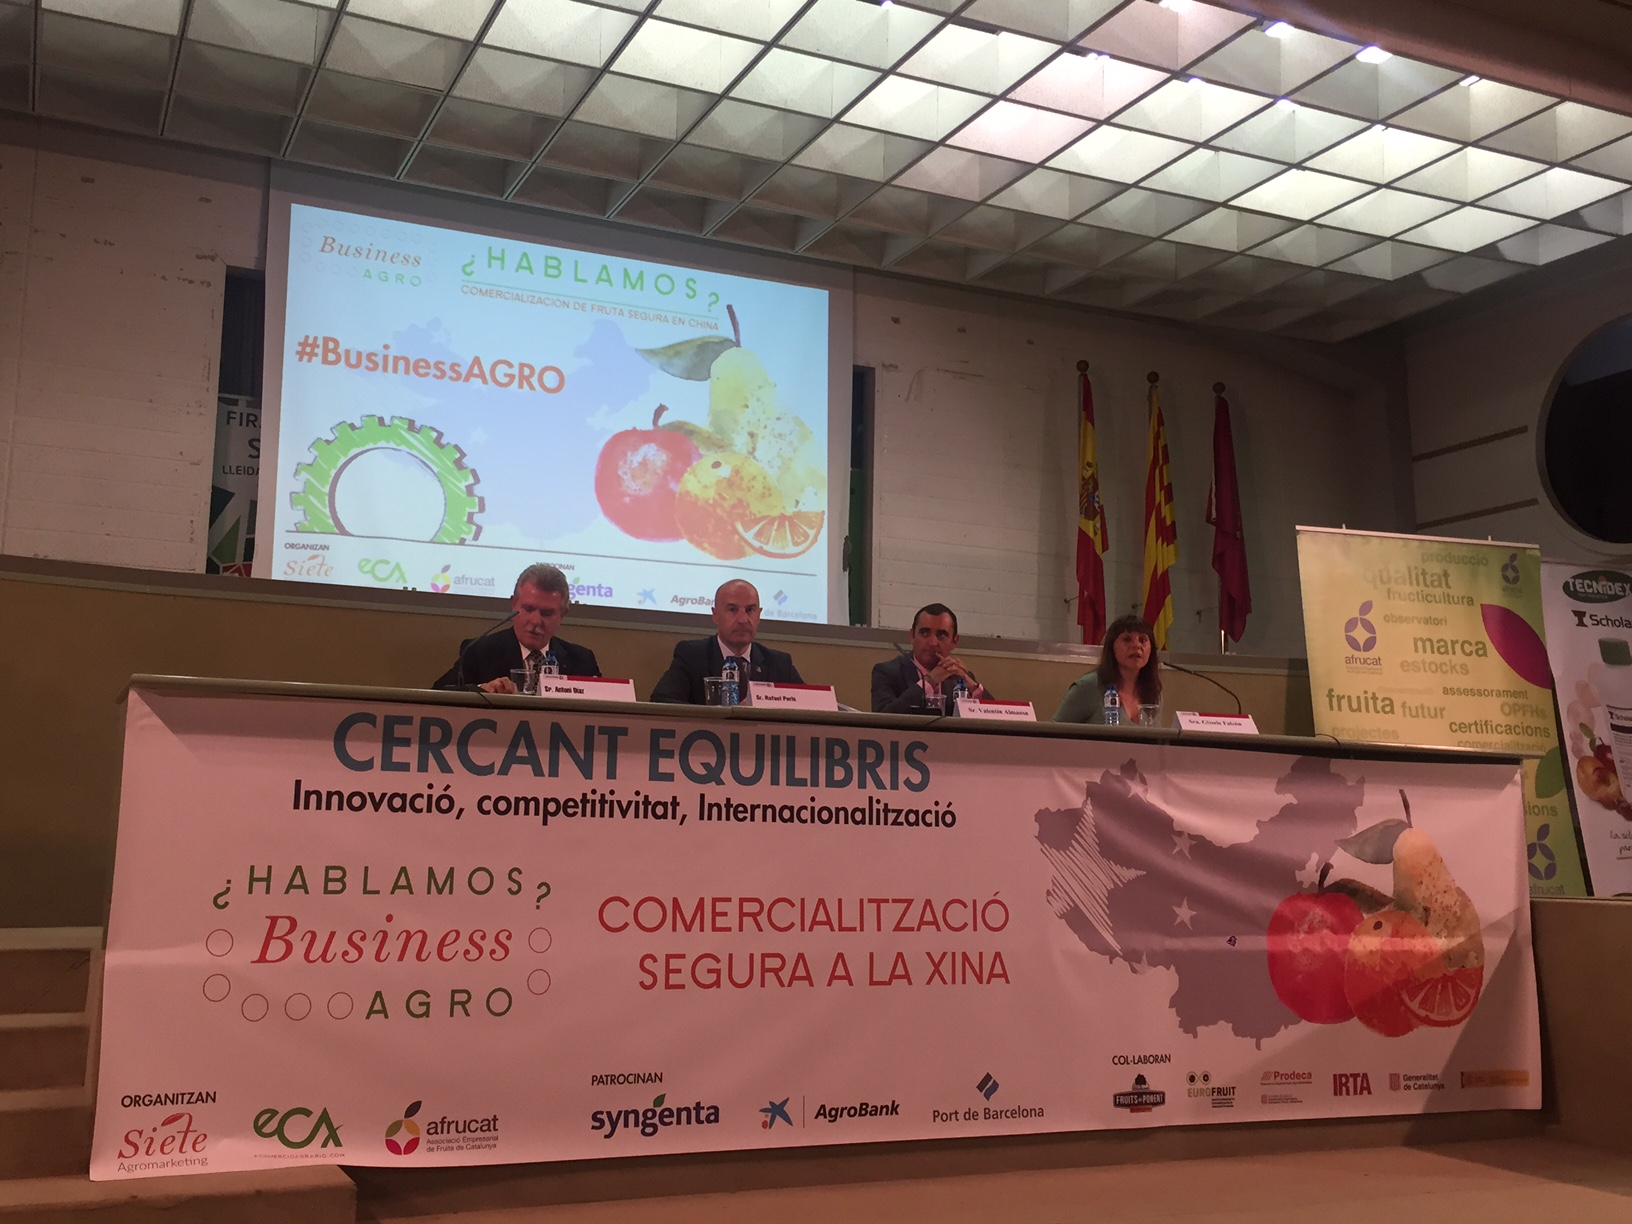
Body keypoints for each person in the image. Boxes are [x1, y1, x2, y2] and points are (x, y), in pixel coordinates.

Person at [433, 563, 601, 692]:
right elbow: (439, 693)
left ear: (562, 614)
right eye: (528, 609)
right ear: (513, 604)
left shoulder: (582, 661)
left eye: (546, 613)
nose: (536, 621)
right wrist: (481, 690)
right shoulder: (480, 652)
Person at [649, 578, 804, 703]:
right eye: (732, 609)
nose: (743, 619)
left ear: (759, 615)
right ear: (715, 615)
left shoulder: (779, 664)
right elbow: (662, 701)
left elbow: (811, 707)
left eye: (750, 610)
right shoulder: (692, 656)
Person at [872, 603, 990, 713]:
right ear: (912, 636)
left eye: (941, 635)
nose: (933, 643)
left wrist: (973, 687)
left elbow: (995, 718)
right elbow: (882, 718)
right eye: (924, 633)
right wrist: (929, 682)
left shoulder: (960, 678)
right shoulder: (887, 672)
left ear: (954, 641)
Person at [1053, 613, 1162, 724]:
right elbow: (1053, 732)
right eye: (1127, 639)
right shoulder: (1089, 687)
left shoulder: (1153, 692)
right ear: (1111, 647)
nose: (1136, 645)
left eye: (1143, 640)